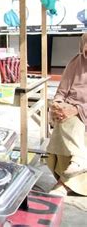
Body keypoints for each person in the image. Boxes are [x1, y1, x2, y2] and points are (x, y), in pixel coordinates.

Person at [47, 33, 87, 196]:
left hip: (80, 111)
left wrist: (78, 109)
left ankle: (64, 183)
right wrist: (57, 104)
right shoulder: (75, 63)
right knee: (62, 118)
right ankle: (76, 165)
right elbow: (61, 92)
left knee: (70, 123)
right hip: (70, 109)